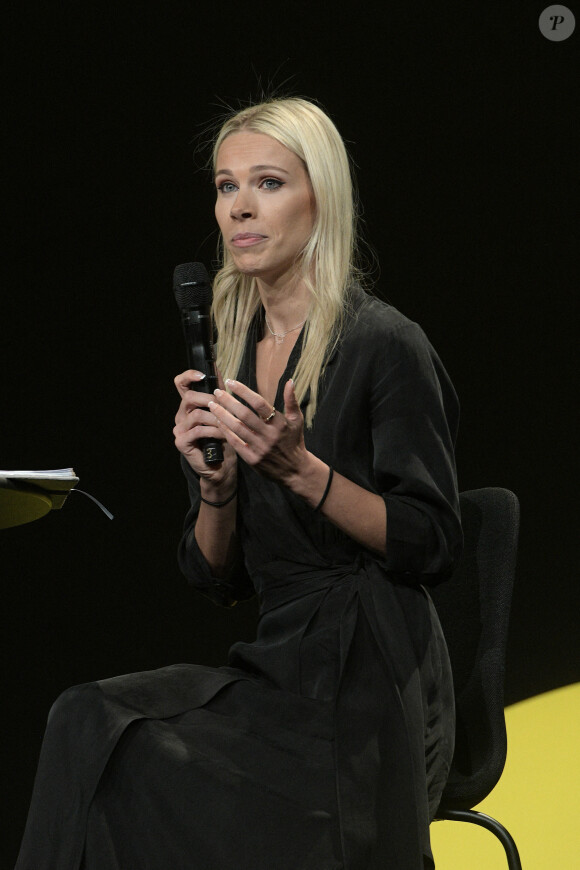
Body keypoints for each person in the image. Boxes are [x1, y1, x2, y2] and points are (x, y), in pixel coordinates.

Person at [16, 97, 462, 870]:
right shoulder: (229, 349)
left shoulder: (384, 343)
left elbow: (431, 542)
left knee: (154, 776)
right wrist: (213, 486)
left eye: (268, 183)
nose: (241, 208)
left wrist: (304, 471)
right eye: (226, 187)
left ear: (320, 197)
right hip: (279, 662)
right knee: (86, 720)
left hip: (372, 673)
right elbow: (213, 575)